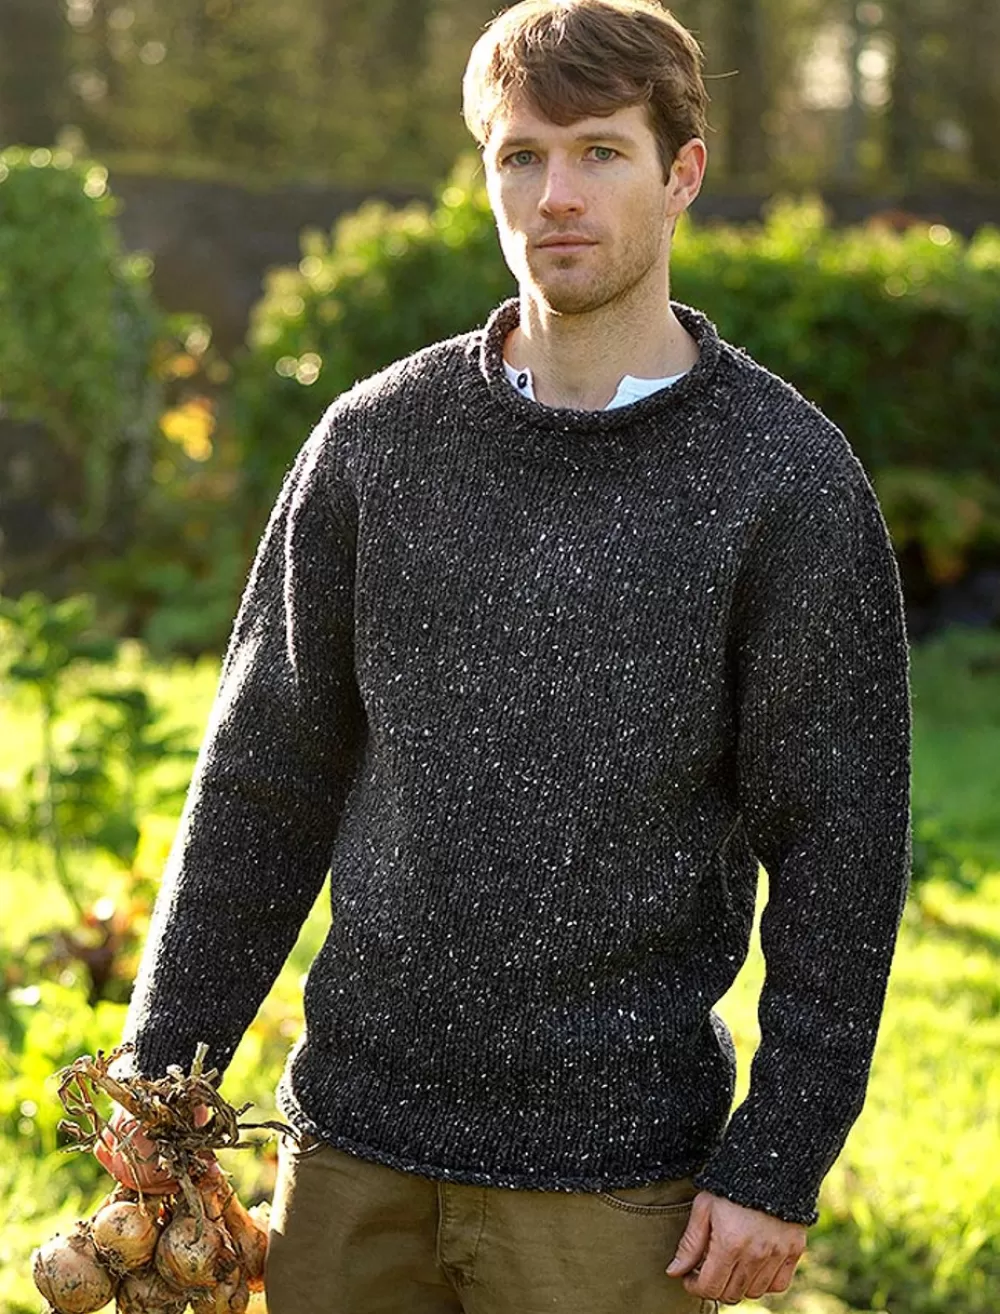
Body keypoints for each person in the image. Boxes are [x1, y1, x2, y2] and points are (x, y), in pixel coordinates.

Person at [97, 1, 912, 1310]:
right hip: (350, 1157)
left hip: (614, 1186)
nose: (555, 196)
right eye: (520, 156)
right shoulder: (376, 443)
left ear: (683, 173)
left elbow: (841, 843)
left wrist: (779, 1156)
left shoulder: (783, 479)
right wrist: (162, 1076)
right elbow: (263, 779)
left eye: (600, 153)